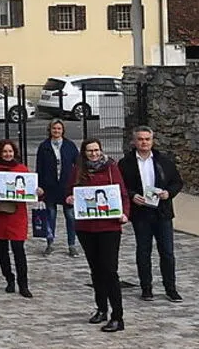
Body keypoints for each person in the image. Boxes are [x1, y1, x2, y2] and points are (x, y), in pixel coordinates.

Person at [66, 138, 130, 333]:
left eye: (96, 150)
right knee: (95, 270)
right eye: (89, 151)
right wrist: (69, 199)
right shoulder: (78, 170)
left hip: (109, 227)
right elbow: (69, 192)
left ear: (101, 151)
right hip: (86, 227)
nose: (93, 154)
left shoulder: (111, 169)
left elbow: (123, 194)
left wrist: (125, 213)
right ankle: (101, 308)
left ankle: (117, 316)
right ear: (84, 153)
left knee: (110, 270)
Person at [119, 126, 184, 303]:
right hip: (141, 213)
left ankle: (171, 288)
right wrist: (132, 196)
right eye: (140, 139)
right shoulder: (126, 163)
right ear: (134, 141)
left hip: (162, 212)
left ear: (152, 140)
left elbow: (177, 182)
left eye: (147, 139)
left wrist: (168, 193)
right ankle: (146, 288)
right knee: (143, 251)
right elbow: (121, 186)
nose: (144, 142)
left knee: (167, 253)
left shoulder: (164, 161)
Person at [0, 139, 38, 298]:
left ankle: (23, 283)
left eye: (10, 151)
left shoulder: (21, 169)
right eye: (4, 152)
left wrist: (38, 191)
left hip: (17, 215)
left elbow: (30, 189)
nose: (7, 154)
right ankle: (9, 279)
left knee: (19, 250)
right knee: (2, 250)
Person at [36, 119, 79, 256]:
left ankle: (72, 244)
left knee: (70, 216)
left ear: (63, 130)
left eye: (59, 129)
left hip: (67, 187)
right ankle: (50, 242)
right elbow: (39, 167)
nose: (56, 131)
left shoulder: (70, 145)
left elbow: (78, 166)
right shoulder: (44, 146)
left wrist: (76, 185)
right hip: (50, 187)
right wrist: (40, 185)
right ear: (50, 130)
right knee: (50, 216)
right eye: (54, 128)